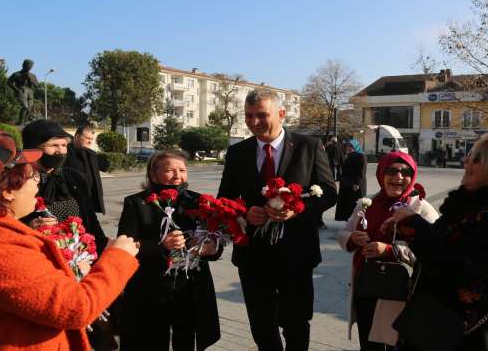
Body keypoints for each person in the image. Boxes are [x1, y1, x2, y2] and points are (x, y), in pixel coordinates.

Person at [0, 130, 139, 350]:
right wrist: (118, 258)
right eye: (32, 177)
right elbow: (76, 308)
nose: (37, 185)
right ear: (7, 192)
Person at [386, 131, 488, 351]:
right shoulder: (473, 206)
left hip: (468, 339)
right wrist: (408, 227)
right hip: (431, 326)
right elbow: (444, 243)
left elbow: (452, 267)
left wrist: (415, 227)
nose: (465, 160)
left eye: (476, 158)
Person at [217, 89, 337, 350]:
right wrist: (244, 213)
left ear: (281, 114)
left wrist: (299, 208)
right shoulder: (238, 153)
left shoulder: (309, 146)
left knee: (295, 322)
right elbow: (224, 198)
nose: (254, 122)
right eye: (248, 116)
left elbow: (329, 192)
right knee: (261, 325)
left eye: (262, 115)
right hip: (253, 254)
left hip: (296, 253)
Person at [21, 119, 113, 349]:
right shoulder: (17, 182)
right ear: (33, 149)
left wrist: (103, 250)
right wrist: (30, 227)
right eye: (54, 146)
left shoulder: (72, 177)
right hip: (43, 270)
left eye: (64, 145)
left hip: (82, 262)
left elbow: (89, 220)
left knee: (95, 325)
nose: (61, 151)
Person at [117, 150, 221, 350]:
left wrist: (211, 248)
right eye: (170, 170)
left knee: (186, 337)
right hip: (150, 283)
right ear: (153, 174)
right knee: (152, 338)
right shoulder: (137, 203)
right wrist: (161, 246)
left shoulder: (198, 201)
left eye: (182, 170)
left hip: (189, 285)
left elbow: (214, 239)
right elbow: (126, 244)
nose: (177, 176)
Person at [337, 151, 439, 350]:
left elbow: (435, 251)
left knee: (392, 344)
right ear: (381, 174)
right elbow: (344, 233)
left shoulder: (421, 208)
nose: (398, 177)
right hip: (367, 287)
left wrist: (391, 250)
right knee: (369, 344)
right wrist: (352, 238)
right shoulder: (367, 203)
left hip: (399, 292)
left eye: (405, 172)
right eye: (391, 171)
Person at [64, 125, 105, 214]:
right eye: (87, 138)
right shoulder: (65, 153)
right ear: (77, 136)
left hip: (89, 201)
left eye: (91, 139)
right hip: (71, 201)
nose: (90, 141)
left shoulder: (92, 154)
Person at [335, 140, 367, 221]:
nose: (348, 148)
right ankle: (348, 220)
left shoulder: (361, 156)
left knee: (355, 203)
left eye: (351, 146)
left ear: (355, 147)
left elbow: (362, 171)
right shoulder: (347, 156)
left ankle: (357, 221)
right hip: (347, 183)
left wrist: (357, 183)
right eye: (347, 146)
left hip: (356, 183)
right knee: (348, 203)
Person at [7, 59, 39, 125]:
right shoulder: (17, 74)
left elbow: (36, 85)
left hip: (30, 92)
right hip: (21, 91)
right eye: (28, 65)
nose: (30, 67)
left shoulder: (33, 75)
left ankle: (25, 123)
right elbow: (9, 82)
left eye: (31, 66)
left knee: (29, 108)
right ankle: (21, 123)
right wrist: (16, 89)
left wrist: (31, 79)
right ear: (23, 65)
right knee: (25, 107)